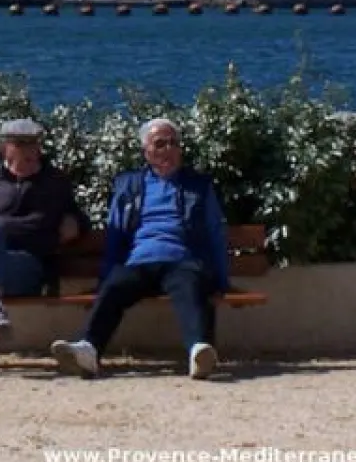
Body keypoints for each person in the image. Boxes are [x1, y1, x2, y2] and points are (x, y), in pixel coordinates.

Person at [49, 115, 232, 381]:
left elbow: (216, 232)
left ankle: (198, 352)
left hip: (184, 261)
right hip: (139, 263)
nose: (168, 149)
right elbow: (115, 234)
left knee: (189, 285)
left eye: (173, 143)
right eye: (160, 144)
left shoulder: (199, 185)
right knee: (115, 286)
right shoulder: (128, 185)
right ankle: (88, 349)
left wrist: (223, 281)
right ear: (146, 151)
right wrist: (104, 279)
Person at [0, 117, 88, 378]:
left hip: (28, 264)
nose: (28, 151)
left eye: (33, 145)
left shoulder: (54, 181)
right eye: (20, 145)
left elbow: (77, 218)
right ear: (4, 149)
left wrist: (74, 222)